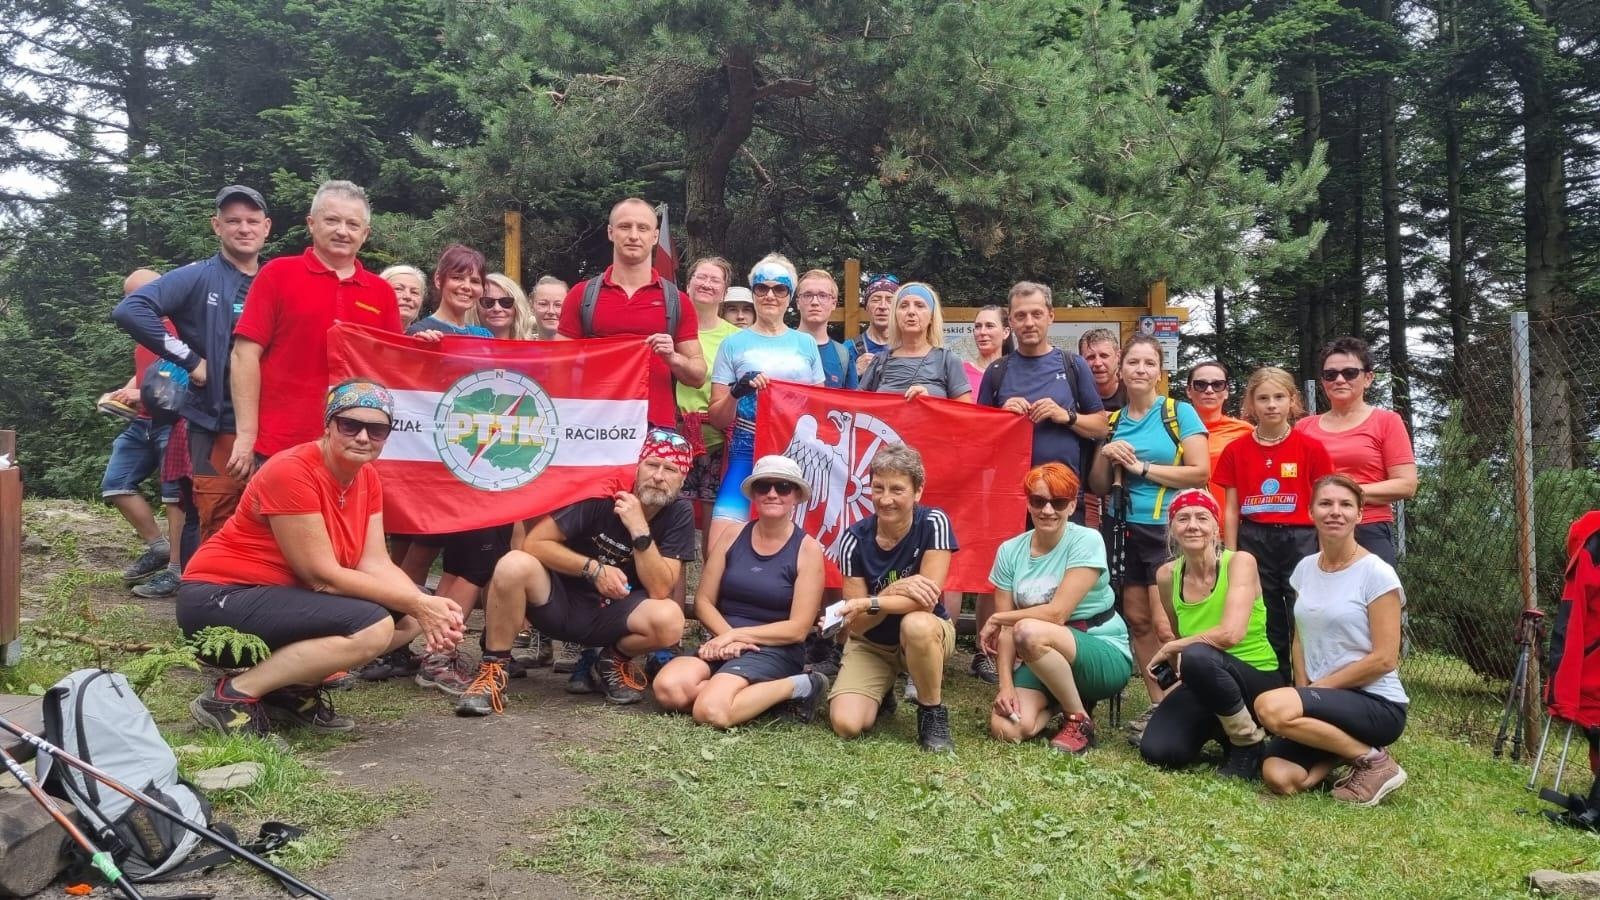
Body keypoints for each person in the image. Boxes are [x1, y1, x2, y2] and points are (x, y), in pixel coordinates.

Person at [177, 381, 465, 736]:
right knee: (374, 626)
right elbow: (321, 577)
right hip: (217, 599)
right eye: (350, 425)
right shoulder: (292, 471)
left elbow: (374, 562)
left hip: (276, 599)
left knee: (409, 616)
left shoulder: (366, 477)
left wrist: (426, 607)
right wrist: (419, 604)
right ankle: (230, 697)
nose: (363, 437)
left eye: (376, 430)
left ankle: (288, 691)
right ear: (328, 425)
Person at [454, 430, 698, 713]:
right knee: (513, 563)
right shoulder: (604, 494)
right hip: (559, 601)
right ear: (637, 466)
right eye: (652, 464)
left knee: (670, 619)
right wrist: (592, 569)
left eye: (670, 469)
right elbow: (535, 543)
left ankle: (611, 661)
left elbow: (660, 588)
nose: (658, 476)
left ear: (683, 478)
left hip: (613, 614)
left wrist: (640, 529)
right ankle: (493, 671)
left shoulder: (680, 512)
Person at [113, 185, 271, 541]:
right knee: (211, 520)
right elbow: (131, 310)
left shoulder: (274, 278)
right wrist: (190, 360)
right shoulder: (198, 276)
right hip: (214, 422)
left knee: (267, 520)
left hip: (270, 422)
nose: (243, 228)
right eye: (233, 221)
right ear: (217, 226)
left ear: (266, 227)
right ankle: (197, 578)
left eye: (252, 221)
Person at [1255, 475, 1410, 806]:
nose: (1335, 511)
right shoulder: (1305, 568)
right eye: (1325, 503)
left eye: (1345, 505)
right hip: (1325, 697)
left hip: (1375, 702)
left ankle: (1377, 763)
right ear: (1311, 512)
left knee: (1269, 707)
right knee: (1279, 776)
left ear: (1360, 514)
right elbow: (1300, 636)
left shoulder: (1376, 573)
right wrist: (1303, 690)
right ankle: (1351, 753)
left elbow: (1385, 659)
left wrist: (1317, 691)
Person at [230, 180, 401, 478]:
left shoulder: (382, 292)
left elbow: (394, 368)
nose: (342, 231)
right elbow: (244, 355)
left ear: (365, 234)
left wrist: (427, 346)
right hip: (281, 445)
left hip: (354, 449)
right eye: (332, 220)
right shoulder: (278, 274)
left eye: (352, 224)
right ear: (311, 223)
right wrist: (246, 435)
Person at [1087, 334, 1210, 742]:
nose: (1140, 370)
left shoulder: (1178, 413)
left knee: (1165, 624)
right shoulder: (1112, 421)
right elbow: (1098, 485)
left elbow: (1200, 472)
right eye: (1133, 362)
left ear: (1160, 371)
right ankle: (1161, 703)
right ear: (1121, 369)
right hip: (1122, 526)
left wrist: (1140, 467)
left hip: (1166, 530)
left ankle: (1187, 705)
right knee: (1138, 621)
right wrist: (1106, 453)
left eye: (1149, 363)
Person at [651, 455, 828, 726]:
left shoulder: (808, 549)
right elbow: (703, 601)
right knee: (668, 689)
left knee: (710, 712)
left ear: (796, 496)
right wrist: (726, 638)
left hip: (773, 648)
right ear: (753, 494)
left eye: (783, 487)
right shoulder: (732, 535)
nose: (772, 494)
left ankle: (803, 684)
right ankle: (745, 696)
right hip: (723, 642)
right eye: (763, 486)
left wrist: (736, 637)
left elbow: (798, 629)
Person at [984, 463, 1132, 754]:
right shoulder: (1009, 551)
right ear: (1028, 503)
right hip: (1042, 656)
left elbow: (1057, 614)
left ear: (1073, 505)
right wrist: (1005, 686)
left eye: (1059, 502)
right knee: (1006, 729)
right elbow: (1006, 632)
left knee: (1028, 631)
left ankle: (1079, 720)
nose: (1048, 510)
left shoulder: (1087, 540)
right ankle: (1065, 701)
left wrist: (999, 617)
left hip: (1100, 647)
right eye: (1038, 501)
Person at [1138, 489, 1283, 778]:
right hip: (1205, 674)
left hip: (1256, 676)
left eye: (1202, 518)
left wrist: (1172, 647)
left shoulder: (1240, 562)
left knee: (1197, 654)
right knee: (1159, 750)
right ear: (1172, 529)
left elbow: (1230, 634)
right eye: (1183, 518)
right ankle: (1223, 730)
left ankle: (1247, 742)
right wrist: (1177, 653)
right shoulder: (1167, 575)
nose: (1193, 525)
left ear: (1216, 528)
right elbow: (1179, 631)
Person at [827, 444, 959, 753]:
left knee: (917, 624)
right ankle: (882, 689)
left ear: (918, 491)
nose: (885, 499)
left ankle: (931, 712)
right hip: (871, 643)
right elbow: (857, 625)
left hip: (926, 634)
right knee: (846, 724)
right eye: (878, 488)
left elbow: (925, 601)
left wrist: (871, 602)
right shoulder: (853, 539)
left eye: (897, 489)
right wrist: (890, 592)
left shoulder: (934, 522)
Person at [1214, 367, 1334, 674]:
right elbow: (1231, 508)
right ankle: (1274, 682)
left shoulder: (1311, 448)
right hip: (1255, 538)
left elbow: (1323, 502)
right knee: (1265, 613)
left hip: (1301, 538)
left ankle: (1309, 684)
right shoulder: (1235, 450)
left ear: (1292, 401)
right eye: (1263, 398)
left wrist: (1326, 549)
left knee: (1303, 610)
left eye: (1279, 397)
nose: (1271, 405)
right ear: (1250, 403)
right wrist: (1231, 554)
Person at [707, 254, 825, 553]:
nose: (770, 295)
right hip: (747, 448)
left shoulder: (806, 344)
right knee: (719, 543)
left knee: (803, 544)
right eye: (762, 288)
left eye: (779, 288)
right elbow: (718, 418)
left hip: (797, 450)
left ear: (790, 296)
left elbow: (821, 409)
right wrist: (736, 392)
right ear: (753, 292)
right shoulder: (732, 344)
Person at [557, 197, 704, 430]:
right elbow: (557, 365)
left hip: (654, 426)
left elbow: (698, 376)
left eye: (643, 228)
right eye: (625, 226)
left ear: (655, 236)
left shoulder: (677, 301)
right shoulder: (582, 295)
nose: (634, 235)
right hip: (592, 427)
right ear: (610, 232)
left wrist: (673, 357)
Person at [1294, 337, 1417, 567]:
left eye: (1350, 373)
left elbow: (1406, 485)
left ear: (1368, 378)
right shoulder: (1303, 428)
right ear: (1323, 381)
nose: (1340, 380)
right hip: (1313, 531)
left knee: (1375, 590)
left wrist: (1343, 495)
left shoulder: (1387, 422)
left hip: (1368, 526)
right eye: (1330, 375)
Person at [102, 269, 186, 593]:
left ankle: (177, 571)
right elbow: (145, 373)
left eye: (134, 296)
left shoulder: (183, 328)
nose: (129, 304)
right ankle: (158, 548)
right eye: (127, 297)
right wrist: (121, 393)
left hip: (174, 422)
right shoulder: (146, 330)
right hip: (142, 421)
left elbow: (188, 373)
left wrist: (142, 393)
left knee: (174, 496)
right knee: (116, 483)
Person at [677, 256, 741, 532]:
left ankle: (710, 563)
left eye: (715, 280)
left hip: (719, 440)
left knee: (715, 518)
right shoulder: (670, 329)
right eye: (701, 277)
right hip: (675, 435)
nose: (707, 284)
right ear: (688, 285)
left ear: (724, 292)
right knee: (672, 514)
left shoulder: (736, 338)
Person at [859, 282, 971, 402]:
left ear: (932, 317)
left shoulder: (948, 360)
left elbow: (964, 411)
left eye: (919, 305)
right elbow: (858, 407)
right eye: (903, 306)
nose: (911, 311)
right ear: (895, 316)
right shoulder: (879, 362)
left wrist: (930, 403)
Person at [1185, 360, 1253, 506]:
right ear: (1189, 391)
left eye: (1217, 385)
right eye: (1200, 385)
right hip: (1186, 515)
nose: (1209, 390)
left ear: (1226, 391)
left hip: (1233, 516)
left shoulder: (1245, 432)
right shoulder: (1173, 430)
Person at [1077, 327, 1124, 530]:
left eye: (1104, 356)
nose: (1097, 363)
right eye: (1090, 357)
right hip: (1081, 489)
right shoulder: (1072, 393)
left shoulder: (1133, 392)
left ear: (1118, 356)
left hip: (1123, 489)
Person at [407, 245, 492, 338]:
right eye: (457, 278)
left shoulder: (484, 336)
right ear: (438, 280)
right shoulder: (421, 333)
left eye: (475, 281)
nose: (467, 286)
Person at [796, 269, 859, 390]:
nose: (815, 302)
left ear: (833, 303)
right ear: (798, 302)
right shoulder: (781, 346)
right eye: (807, 295)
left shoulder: (843, 355)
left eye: (823, 296)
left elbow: (851, 400)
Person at [853, 274, 899, 377]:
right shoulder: (849, 349)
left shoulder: (910, 347)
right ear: (866, 307)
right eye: (875, 300)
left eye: (890, 300)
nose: (882, 306)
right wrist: (855, 372)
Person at [471, 273, 537, 340]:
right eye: (488, 302)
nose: (497, 309)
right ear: (476, 308)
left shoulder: (533, 345)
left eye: (506, 302)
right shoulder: (465, 345)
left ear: (517, 308)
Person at [963, 304, 1011, 394]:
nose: (982, 332)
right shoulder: (960, 372)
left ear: (1006, 332)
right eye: (978, 326)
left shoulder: (1016, 373)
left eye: (990, 326)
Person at [530, 275, 566, 340]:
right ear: (531, 306)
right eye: (543, 304)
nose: (551, 311)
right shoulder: (520, 345)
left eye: (558, 305)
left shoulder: (582, 345)